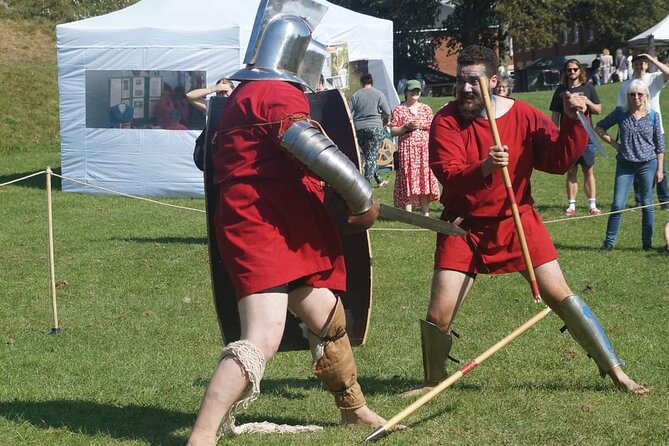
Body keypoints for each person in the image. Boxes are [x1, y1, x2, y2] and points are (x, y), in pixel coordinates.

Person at [403, 44, 648, 399]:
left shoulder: (525, 116)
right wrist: (486, 167)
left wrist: (572, 119)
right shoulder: (447, 119)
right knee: (438, 315)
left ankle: (616, 371)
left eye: (474, 82)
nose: (466, 89)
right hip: (463, 227)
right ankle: (431, 381)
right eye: (461, 81)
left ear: (495, 82)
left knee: (563, 298)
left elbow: (557, 160)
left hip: (517, 219)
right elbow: (449, 173)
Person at [187, 10, 385, 446]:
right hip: (259, 225)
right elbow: (309, 146)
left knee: (326, 315)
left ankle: (354, 411)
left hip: (283, 222)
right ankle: (200, 439)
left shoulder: (248, 93)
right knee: (261, 338)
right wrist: (362, 200)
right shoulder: (275, 94)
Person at [596, 80, 665, 251]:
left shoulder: (653, 115)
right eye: (632, 94)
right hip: (625, 165)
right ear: (628, 96)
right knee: (618, 204)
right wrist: (616, 145)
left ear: (646, 96)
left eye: (640, 94)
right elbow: (599, 128)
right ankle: (609, 242)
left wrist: (659, 169)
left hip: (647, 164)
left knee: (647, 204)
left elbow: (660, 145)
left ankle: (647, 243)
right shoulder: (621, 113)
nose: (636, 97)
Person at [549, 59, 602, 216]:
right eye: (569, 70)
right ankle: (571, 205)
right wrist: (555, 136)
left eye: (574, 69)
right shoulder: (560, 91)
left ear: (580, 71)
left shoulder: (589, 88)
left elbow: (598, 110)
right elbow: (555, 116)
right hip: (567, 139)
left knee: (588, 171)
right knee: (571, 171)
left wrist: (588, 102)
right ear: (565, 72)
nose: (572, 72)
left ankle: (592, 204)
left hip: (587, 138)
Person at [616, 54, 669, 210]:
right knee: (636, 164)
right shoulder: (627, 85)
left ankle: (664, 199)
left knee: (660, 165)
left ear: (647, 65)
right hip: (634, 128)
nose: (639, 66)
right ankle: (640, 200)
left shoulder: (654, 78)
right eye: (637, 63)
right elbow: (621, 109)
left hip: (653, 127)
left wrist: (652, 59)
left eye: (642, 63)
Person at [389, 79, 440, 215]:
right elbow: (393, 131)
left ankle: (426, 213)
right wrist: (406, 126)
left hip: (424, 148)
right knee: (408, 176)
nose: (415, 93)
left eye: (417, 90)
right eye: (412, 90)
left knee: (423, 176)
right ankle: (409, 213)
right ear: (406, 92)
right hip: (408, 148)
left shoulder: (426, 108)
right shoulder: (399, 109)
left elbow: (433, 128)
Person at [349, 73, 391, 187]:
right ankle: (366, 184)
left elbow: (348, 112)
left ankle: (379, 180)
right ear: (372, 82)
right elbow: (387, 112)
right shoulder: (378, 94)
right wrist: (385, 122)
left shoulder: (355, 95)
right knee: (372, 155)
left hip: (359, 128)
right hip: (375, 127)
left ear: (361, 83)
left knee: (369, 156)